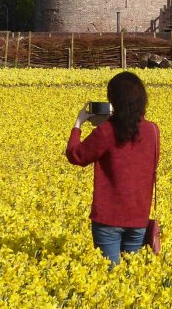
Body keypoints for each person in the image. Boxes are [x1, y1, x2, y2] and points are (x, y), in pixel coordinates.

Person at [65, 71, 159, 265]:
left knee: (108, 279)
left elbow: (76, 156)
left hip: (108, 219)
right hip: (138, 217)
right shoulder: (153, 131)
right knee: (130, 279)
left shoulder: (106, 131)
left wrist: (78, 123)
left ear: (113, 102)